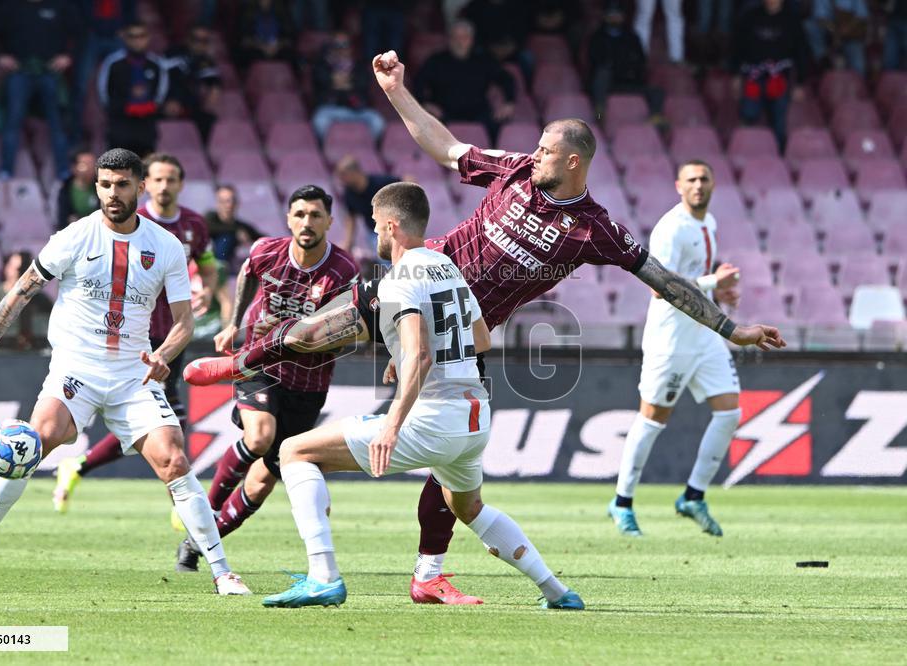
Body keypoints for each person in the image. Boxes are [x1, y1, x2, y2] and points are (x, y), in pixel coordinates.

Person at [184, 50, 786, 601]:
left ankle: (427, 575)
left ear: (573, 162)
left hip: (457, 334)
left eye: (548, 150)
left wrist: (732, 329)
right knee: (321, 328)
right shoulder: (517, 171)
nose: (537, 154)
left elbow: (662, 278)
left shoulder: (594, 228)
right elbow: (445, 147)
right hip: (423, 278)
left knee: (455, 485)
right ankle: (242, 363)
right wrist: (397, 92)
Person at [252, 181, 583, 609]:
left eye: (375, 227)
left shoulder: (397, 280)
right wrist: (402, 355)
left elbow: (422, 354)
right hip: (475, 415)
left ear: (391, 226)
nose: (375, 235)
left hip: (434, 416)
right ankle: (558, 592)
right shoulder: (447, 267)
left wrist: (392, 424)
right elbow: (480, 339)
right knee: (471, 509)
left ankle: (323, 577)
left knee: (295, 452)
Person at [0, 148, 250, 595]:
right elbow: (20, 293)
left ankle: (223, 571)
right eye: (105, 185)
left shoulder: (164, 245)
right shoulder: (72, 237)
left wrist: (163, 353)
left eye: (122, 184)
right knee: (34, 439)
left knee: (175, 459)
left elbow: (183, 322)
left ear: (139, 187)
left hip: (133, 373)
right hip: (76, 368)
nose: (112, 193)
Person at [174, 184, 362, 574]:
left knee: (261, 483)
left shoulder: (344, 271)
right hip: (258, 364)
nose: (306, 222)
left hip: (308, 382)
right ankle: (206, 509)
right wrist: (233, 325)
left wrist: (306, 338)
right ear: (288, 218)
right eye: (300, 214)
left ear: (329, 221)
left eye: (315, 215)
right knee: (258, 436)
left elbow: (348, 330)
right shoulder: (266, 251)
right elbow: (245, 274)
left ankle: (198, 545)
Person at [52, 152, 219, 513]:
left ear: (180, 184)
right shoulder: (129, 221)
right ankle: (179, 503)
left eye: (170, 179)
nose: (164, 186)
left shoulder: (193, 226)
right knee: (163, 419)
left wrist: (206, 288)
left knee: (169, 419)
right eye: (158, 179)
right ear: (146, 186)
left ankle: (176, 499)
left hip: (172, 335)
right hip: (134, 339)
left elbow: (207, 266)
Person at [608, 160, 742, 538]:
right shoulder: (671, 228)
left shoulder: (708, 222)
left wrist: (721, 289)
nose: (699, 185)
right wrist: (715, 280)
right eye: (691, 180)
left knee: (730, 412)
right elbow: (658, 286)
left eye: (704, 179)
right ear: (678, 186)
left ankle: (693, 496)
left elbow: (696, 280)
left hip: (704, 335)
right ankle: (621, 503)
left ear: (713, 184)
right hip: (671, 340)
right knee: (652, 420)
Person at [0, 0, 80, 182]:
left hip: (50, 73)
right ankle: (5, 171)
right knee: (12, 124)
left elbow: (79, 32)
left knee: (58, 124)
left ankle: (64, 172)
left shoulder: (59, 6)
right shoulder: (10, 7)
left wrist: (67, 55)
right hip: (20, 72)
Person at [414, 20, 515, 142]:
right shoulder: (436, 61)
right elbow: (418, 81)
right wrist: (425, 103)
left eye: (464, 37)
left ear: (471, 40)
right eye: (455, 37)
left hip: (478, 113)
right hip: (444, 113)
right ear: (449, 40)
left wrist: (509, 102)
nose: (459, 41)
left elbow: (507, 79)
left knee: (499, 127)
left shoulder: (484, 61)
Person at [732, 0, 807, 152]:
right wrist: (735, 75)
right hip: (754, 77)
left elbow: (801, 52)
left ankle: (779, 158)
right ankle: (747, 154)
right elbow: (737, 47)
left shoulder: (792, 19)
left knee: (779, 122)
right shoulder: (750, 17)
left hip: (779, 78)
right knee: (748, 115)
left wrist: (800, 82)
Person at [97, 21, 168, 158]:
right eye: (132, 36)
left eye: (141, 36)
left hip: (146, 126)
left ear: (148, 38)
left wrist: (150, 108)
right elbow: (103, 93)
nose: (137, 41)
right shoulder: (113, 62)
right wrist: (119, 109)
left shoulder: (156, 64)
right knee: (118, 172)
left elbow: (161, 93)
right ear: (125, 38)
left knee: (145, 172)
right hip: (120, 125)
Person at [70, 0, 136, 144]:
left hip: (117, 34)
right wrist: (84, 28)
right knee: (80, 87)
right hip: (90, 35)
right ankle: (76, 138)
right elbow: (74, 6)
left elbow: (131, 6)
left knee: (123, 86)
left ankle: (121, 136)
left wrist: (125, 27)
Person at [588, 2, 664, 118]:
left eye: (617, 14)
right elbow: (594, 63)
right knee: (602, 73)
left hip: (629, 82)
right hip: (607, 85)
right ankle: (600, 113)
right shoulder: (597, 37)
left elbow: (641, 62)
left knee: (657, 92)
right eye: (611, 14)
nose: (614, 17)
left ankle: (655, 118)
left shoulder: (632, 37)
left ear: (623, 16)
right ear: (605, 16)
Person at [311, 31, 385, 141]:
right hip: (331, 109)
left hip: (356, 110)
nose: (341, 49)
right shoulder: (322, 65)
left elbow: (363, 84)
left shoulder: (359, 67)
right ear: (331, 48)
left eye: (344, 45)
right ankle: (331, 150)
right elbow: (321, 81)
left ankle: (365, 149)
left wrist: (337, 82)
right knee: (319, 121)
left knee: (377, 121)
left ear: (350, 48)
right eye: (337, 46)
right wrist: (343, 82)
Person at [0, 250, 53, 341]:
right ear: (7, 269)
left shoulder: (40, 300)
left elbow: (50, 327)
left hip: (32, 353)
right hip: (0, 352)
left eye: (26, 270)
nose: (23, 274)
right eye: (18, 269)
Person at [165, 24, 222, 144]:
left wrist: (214, 89)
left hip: (191, 103)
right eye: (196, 39)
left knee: (208, 118)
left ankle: (199, 152)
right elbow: (166, 79)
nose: (200, 44)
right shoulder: (173, 53)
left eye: (204, 41)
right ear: (188, 39)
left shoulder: (206, 61)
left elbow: (213, 81)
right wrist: (171, 99)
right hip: (168, 100)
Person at [334, 155, 397, 252]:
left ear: (355, 172)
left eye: (343, 175)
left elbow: (407, 183)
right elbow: (351, 218)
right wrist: (348, 243)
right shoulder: (349, 193)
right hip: (375, 233)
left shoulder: (381, 183)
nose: (340, 179)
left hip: (396, 230)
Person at [804, 0, 869, 76]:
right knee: (810, 26)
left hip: (851, 35)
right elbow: (819, 18)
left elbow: (863, 15)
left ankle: (858, 84)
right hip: (829, 34)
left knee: (858, 66)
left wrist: (847, 28)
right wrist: (834, 30)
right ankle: (823, 60)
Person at [204, 183, 263, 266]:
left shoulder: (241, 226)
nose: (229, 205)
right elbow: (209, 228)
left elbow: (262, 237)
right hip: (209, 266)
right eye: (223, 201)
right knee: (226, 238)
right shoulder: (210, 218)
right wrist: (236, 232)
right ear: (217, 203)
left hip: (231, 267)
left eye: (232, 200)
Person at [56, 147, 100, 230]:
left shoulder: (103, 187)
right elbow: (63, 220)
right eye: (85, 165)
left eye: (92, 164)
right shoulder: (65, 189)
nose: (90, 168)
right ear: (73, 167)